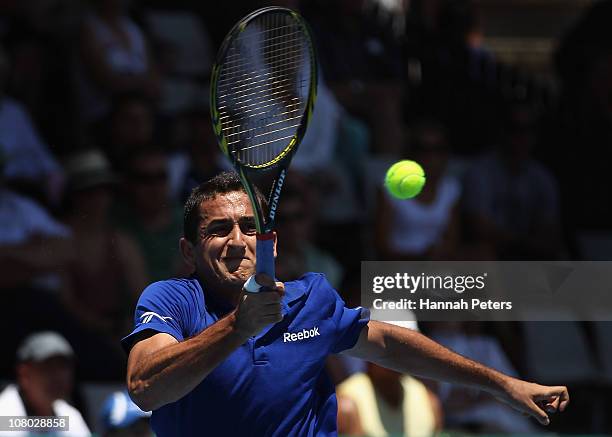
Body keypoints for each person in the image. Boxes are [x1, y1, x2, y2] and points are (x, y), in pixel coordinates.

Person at [123, 172, 569, 437]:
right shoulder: (171, 300)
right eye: (218, 229)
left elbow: (391, 344)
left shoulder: (310, 299)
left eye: (248, 227)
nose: (237, 241)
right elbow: (146, 386)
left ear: (269, 243)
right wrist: (238, 327)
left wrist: (500, 385)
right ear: (188, 251)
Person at [0, 332, 91, 437]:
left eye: (63, 367)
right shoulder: (3, 416)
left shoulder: (71, 417)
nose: (58, 376)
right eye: (47, 368)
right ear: (24, 374)